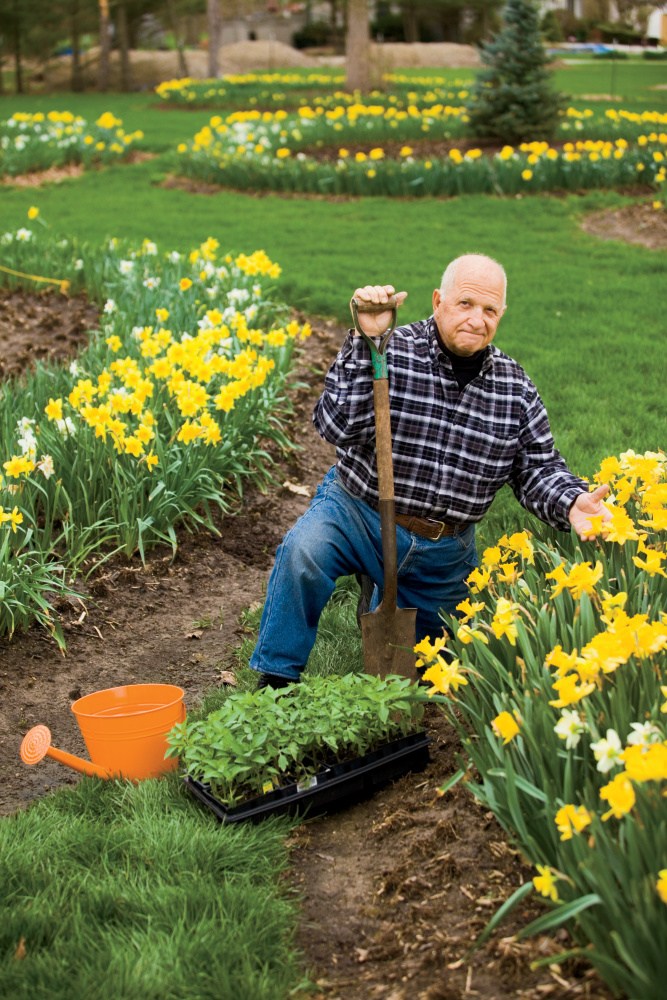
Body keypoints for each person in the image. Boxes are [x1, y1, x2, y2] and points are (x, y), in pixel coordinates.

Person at [249, 254, 611, 688]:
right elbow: (335, 424)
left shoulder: (515, 389)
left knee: (424, 682)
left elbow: (537, 467)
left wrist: (571, 501)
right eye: (466, 304)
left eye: (490, 310)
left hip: (444, 549)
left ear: (501, 315)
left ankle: (391, 595)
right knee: (303, 554)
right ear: (438, 301)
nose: (478, 319)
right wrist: (367, 345)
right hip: (358, 513)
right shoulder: (391, 349)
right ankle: (274, 684)